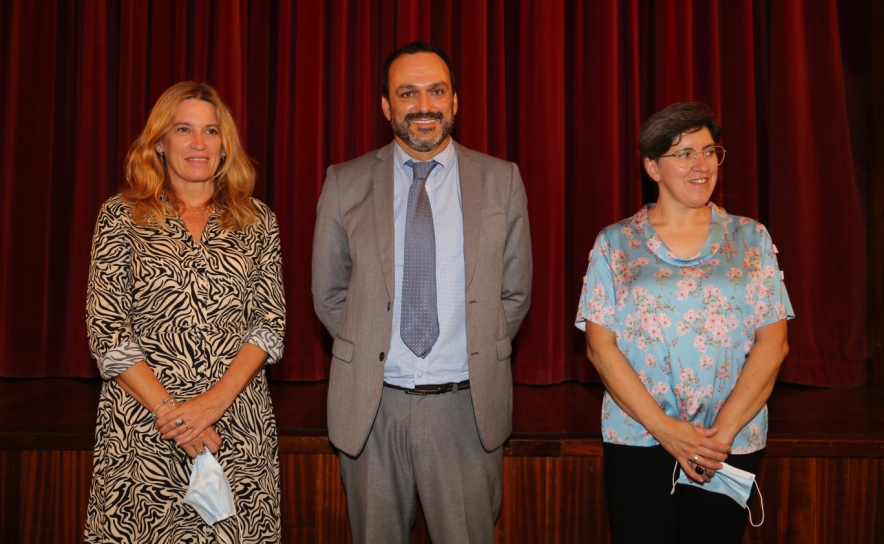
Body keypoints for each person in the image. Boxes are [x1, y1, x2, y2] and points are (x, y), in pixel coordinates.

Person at [312, 41, 532, 543]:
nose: (424, 105)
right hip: (372, 410)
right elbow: (329, 293)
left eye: (436, 91)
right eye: (407, 93)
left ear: (456, 100)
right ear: (387, 107)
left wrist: (475, 347)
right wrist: (368, 346)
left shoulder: (502, 180)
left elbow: (515, 293)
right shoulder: (345, 183)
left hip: (466, 410)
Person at [575, 102, 793, 544]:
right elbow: (600, 347)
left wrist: (720, 436)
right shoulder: (614, 243)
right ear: (652, 167)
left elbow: (774, 344)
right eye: (685, 154)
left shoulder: (752, 238)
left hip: (726, 443)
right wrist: (668, 432)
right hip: (640, 437)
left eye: (710, 151)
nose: (702, 165)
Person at [84, 81, 285, 543]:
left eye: (211, 131)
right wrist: (176, 416)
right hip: (143, 432)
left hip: (235, 428)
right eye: (183, 129)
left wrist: (211, 406)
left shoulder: (258, 220)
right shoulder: (121, 216)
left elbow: (269, 326)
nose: (199, 143)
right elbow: (108, 332)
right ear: (159, 141)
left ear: (224, 145)